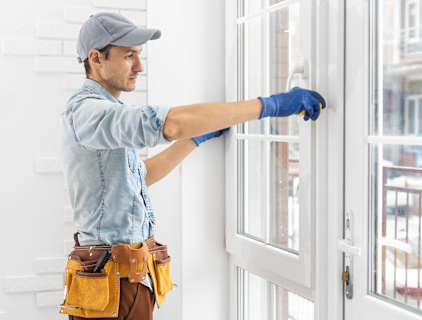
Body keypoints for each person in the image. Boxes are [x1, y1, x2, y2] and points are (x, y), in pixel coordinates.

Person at [59, 12, 325, 320]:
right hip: (112, 286)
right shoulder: (88, 112)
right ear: (96, 58)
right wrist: (271, 105)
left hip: (124, 281)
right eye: (129, 55)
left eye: (139, 56)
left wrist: (194, 140)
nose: (139, 67)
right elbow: (170, 123)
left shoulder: (104, 112)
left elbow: (140, 176)